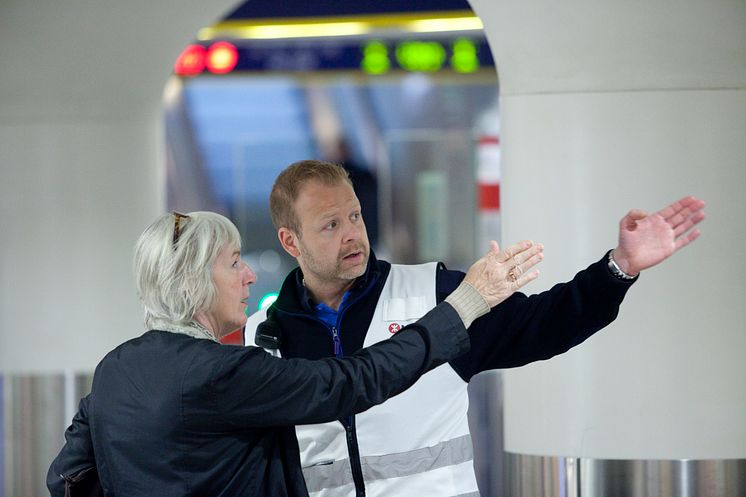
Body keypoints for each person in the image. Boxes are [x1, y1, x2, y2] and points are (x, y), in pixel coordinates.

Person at [245, 160, 705, 497]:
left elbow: (544, 323)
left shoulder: (435, 293)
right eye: (330, 225)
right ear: (291, 241)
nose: (352, 234)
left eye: (355, 216)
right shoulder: (261, 337)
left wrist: (619, 267)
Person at [47, 210, 542, 497]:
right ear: (195, 283)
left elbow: (67, 476)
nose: (248, 276)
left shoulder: (115, 368)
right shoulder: (223, 372)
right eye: (234, 263)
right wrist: (466, 305)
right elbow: (354, 381)